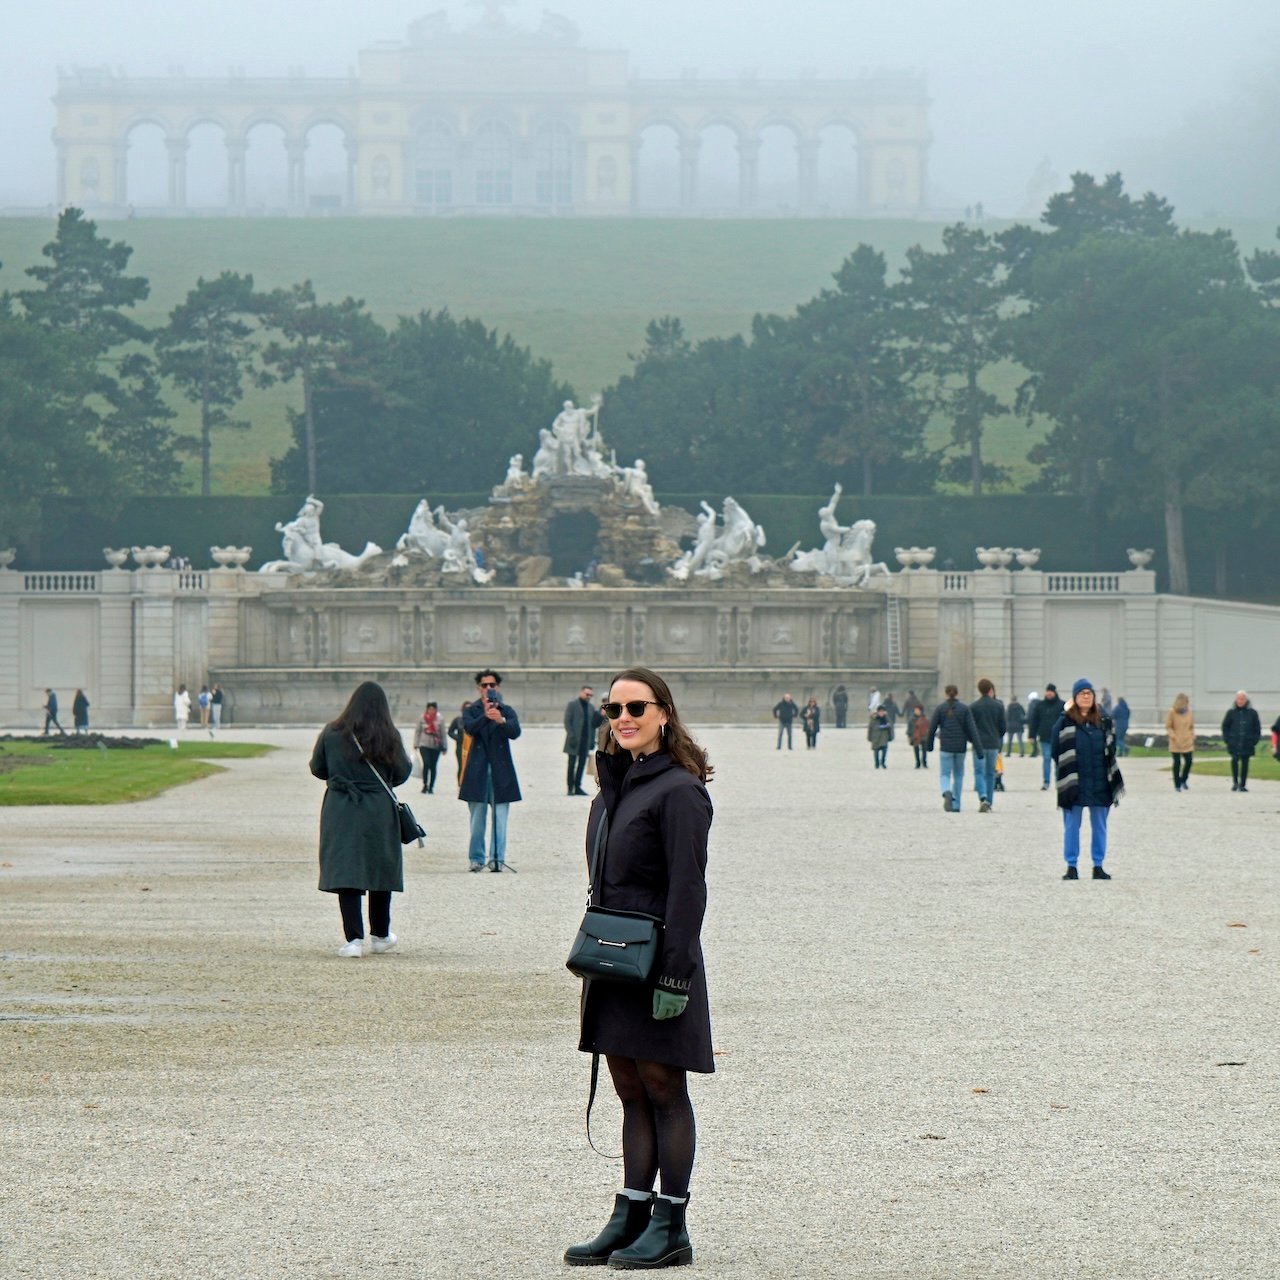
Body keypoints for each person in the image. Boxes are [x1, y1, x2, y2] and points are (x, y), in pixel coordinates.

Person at [566, 666, 713, 1269]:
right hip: (613, 959)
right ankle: (630, 1213)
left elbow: (688, 891)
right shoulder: (610, 791)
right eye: (613, 709)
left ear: (663, 713)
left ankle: (671, 1221)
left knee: (662, 1088)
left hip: (659, 962)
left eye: (635, 707)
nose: (622, 718)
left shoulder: (679, 791)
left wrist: (675, 977)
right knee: (628, 1090)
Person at [309, 681, 412, 957]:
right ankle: (380, 934)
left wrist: (342, 777)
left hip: (342, 808)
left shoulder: (332, 732)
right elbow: (402, 772)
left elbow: (317, 767)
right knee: (379, 870)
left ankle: (353, 939)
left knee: (348, 871)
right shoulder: (388, 735)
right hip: (378, 809)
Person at [1050, 678, 1124, 880]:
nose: (1085, 696)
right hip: (1074, 784)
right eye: (1081, 693)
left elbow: (1112, 749)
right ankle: (1071, 865)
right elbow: (1056, 749)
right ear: (1074, 698)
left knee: (1100, 826)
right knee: (1071, 826)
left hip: (1101, 783)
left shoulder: (1104, 722)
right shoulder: (1065, 721)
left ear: (1094, 698)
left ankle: (1098, 865)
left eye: (1089, 693)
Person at [458, 670, 522, 872]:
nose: (489, 688)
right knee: (477, 820)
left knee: (500, 820)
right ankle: (476, 858)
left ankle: (497, 859)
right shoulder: (472, 710)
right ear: (479, 688)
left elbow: (515, 732)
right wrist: (485, 717)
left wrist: (500, 720)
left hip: (500, 773)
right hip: (477, 772)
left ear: (498, 687)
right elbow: (468, 728)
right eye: (485, 685)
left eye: (492, 685)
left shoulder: (506, 710)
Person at [927, 685, 982, 812]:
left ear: (945, 694)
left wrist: (929, 746)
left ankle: (946, 791)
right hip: (960, 747)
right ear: (957, 694)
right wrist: (978, 749)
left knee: (945, 774)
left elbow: (932, 729)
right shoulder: (964, 709)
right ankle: (956, 803)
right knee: (958, 775)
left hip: (946, 746)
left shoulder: (940, 708)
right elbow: (972, 730)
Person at [969, 678, 1006, 812]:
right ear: (990, 690)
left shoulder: (973, 706)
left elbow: (970, 726)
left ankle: (982, 797)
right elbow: (1003, 727)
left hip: (978, 744)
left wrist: (972, 739)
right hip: (993, 743)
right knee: (990, 773)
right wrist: (997, 736)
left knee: (979, 772)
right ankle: (989, 801)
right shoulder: (998, 706)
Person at [564, 684, 601, 796]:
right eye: (587, 694)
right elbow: (567, 721)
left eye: (590, 695)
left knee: (581, 765)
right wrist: (571, 736)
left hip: (585, 741)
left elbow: (594, 724)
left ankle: (577, 787)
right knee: (571, 765)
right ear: (581, 693)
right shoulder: (572, 705)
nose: (588, 696)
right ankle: (570, 788)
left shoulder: (591, 707)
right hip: (574, 740)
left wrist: (592, 740)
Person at [1221, 691, 1262, 793]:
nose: (1240, 701)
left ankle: (1243, 784)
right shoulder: (1231, 713)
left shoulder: (1252, 713)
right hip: (1234, 742)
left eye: (1242, 699)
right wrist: (1227, 739)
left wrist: (1254, 740)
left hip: (1247, 742)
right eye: (1238, 699)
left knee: (1245, 763)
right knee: (1234, 760)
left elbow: (1257, 728)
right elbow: (1225, 727)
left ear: (1246, 700)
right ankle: (1235, 782)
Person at [1028, 684, 1065, 789]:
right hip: (1045, 736)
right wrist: (1032, 735)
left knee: (1059, 760)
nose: (1049, 693)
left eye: (1051, 691)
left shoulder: (1062, 705)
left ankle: (1059, 780)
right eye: (1047, 691)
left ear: (1055, 692)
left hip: (1059, 737)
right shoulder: (1040, 705)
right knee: (1047, 758)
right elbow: (1034, 721)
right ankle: (1046, 782)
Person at [1165, 693, 1195, 792]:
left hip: (1187, 741)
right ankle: (1177, 784)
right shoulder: (1172, 712)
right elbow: (1168, 726)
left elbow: (1191, 726)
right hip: (1176, 741)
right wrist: (1173, 736)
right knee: (1177, 763)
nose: (1187, 704)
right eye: (1186, 702)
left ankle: (1184, 779)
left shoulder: (1189, 712)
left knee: (1189, 761)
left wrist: (1192, 735)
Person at [413, 701, 443, 794]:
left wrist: (444, 746)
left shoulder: (440, 719)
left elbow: (443, 734)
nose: (431, 711)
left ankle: (431, 786)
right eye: (429, 709)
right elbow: (418, 731)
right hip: (424, 744)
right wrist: (416, 743)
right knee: (426, 763)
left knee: (433, 766)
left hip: (436, 745)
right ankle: (425, 784)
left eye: (433, 709)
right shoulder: (422, 718)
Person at [447, 701, 469, 783]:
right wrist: (458, 738)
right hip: (460, 746)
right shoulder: (458, 720)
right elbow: (450, 731)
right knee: (461, 766)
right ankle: (460, 783)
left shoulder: (475, 720)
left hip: (472, 746)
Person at [867, 703, 892, 768]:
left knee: (884, 751)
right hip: (875, 738)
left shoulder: (887, 719)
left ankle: (883, 762)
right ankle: (877, 763)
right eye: (880, 712)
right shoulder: (873, 720)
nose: (881, 713)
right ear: (877, 712)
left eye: (882, 711)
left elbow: (890, 729)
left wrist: (890, 737)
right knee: (876, 752)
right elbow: (870, 729)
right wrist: (869, 738)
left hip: (884, 738)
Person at [909, 704, 930, 768]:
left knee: (924, 750)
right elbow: (910, 728)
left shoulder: (925, 718)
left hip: (924, 735)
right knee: (916, 749)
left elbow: (928, 726)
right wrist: (909, 735)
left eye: (917, 710)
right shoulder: (912, 719)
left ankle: (924, 762)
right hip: (915, 736)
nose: (916, 711)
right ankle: (917, 762)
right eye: (915, 710)